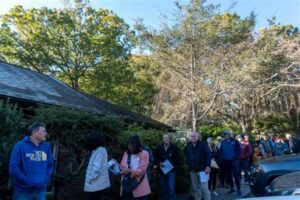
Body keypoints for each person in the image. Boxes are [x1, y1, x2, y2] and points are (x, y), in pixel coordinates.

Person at [9, 122, 54, 200]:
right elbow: (13, 169)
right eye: (43, 131)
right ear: (35, 132)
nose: (46, 133)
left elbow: (50, 165)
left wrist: (45, 179)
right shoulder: (20, 146)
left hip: (41, 191)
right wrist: (28, 182)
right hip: (23, 192)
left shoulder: (47, 146)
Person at [119, 135, 151, 200]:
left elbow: (142, 170)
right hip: (126, 186)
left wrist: (130, 171)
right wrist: (116, 165)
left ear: (136, 144)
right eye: (128, 144)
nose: (129, 146)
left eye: (131, 145)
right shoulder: (126, 153)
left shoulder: (144, 154)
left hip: (139, 187)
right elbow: (122, 166)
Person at [184, 131, 211, 200]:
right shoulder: (188, 145)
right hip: (192, 170)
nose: (193, 137)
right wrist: (187, 163)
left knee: (204, 189)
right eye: (192, 136)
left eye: (195, 136)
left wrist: (208, 166)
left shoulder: (203, 144)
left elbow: (208, 155)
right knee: (196, 189)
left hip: (203, 170)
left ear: (198, 137)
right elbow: (185, 154)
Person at [84, 133, 110, 200]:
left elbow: (97, 168)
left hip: (96, 185)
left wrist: (90, 178)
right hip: (96, 184)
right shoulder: (98, 150)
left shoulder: (100, 150)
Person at [156, 134, 180, 200]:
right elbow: (156, 158)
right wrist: (159, 163)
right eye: (164, 138)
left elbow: (177, 158)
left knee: (171, 187)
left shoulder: (174, 147)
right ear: (163, 139)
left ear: (170, 139)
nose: (166, 139)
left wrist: (171, 165)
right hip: (161, 170)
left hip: (171, 171)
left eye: (167, 138)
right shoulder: (159, 147)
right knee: (163, 188)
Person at [219, 130, 241, 197]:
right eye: (225, 135)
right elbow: (220, 151)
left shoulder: (235, 142)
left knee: (236, 176)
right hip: (226, 162)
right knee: (228, 176)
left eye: (227, 134)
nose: (226, 136)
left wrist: (235, 156)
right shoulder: (223, 142)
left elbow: (239, 151)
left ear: (230, 135)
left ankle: (238, 190)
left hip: (234, 162)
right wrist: (222, 157)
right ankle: (232, 188)